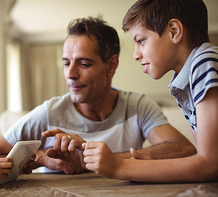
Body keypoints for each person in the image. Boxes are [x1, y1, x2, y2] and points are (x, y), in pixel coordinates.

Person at [0, 16, 196, 175]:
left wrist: (96, 159)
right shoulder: (49, 114)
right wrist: (38, 158)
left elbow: (183, 149)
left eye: (84, 64)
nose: (70, 74)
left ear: (111, 64)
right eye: (66, 63)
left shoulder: (138, 106)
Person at [81, 0, 218, 183]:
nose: (136, 54)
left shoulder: (204, 63)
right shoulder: (184, 80)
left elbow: (209, 164)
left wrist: (119, 166)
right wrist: (148, 167)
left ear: (174, 31)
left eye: (141, 41)